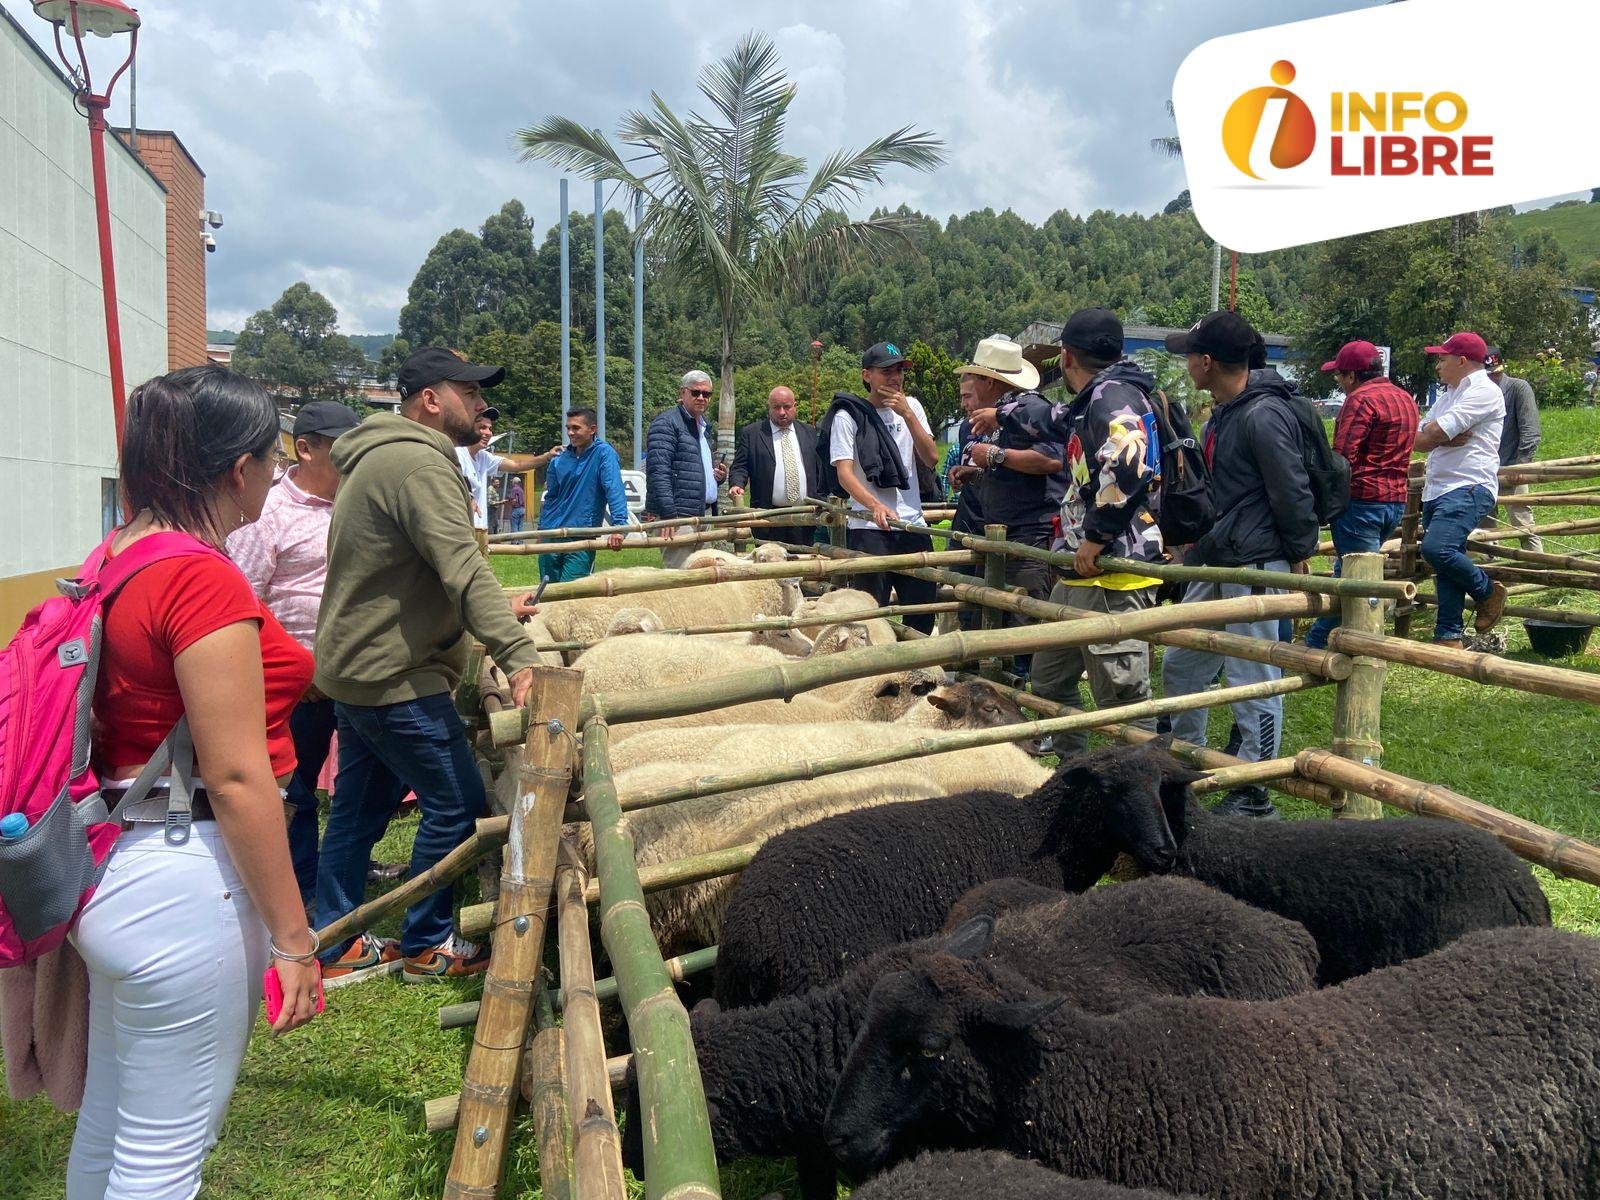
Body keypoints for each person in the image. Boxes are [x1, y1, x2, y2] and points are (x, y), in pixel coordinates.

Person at [70, 365, 320, 1199]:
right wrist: (294, 938)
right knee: (163, 1160)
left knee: (113, 1126)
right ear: (235, 469)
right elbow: (239, 773)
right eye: (270, 459)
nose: (276, 476)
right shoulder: (199, 576)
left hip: (108, 867)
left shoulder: (111, 557)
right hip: (185, 882)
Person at [312, 347, 543, 981]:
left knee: (359, 809)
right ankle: (426, 942)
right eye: (468, 392)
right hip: (395, 675)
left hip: (358, 667)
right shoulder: (419, 465)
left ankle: (331, 941)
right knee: (459, 804)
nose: (481, 404)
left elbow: (415, 570)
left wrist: (496, 605)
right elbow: (461, 569)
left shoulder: (381, 457)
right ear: (430, 400)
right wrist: (519, 658)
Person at [972, 311, 1164, 756]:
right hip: (1084, 569)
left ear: (1067, 355)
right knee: (1050, 677)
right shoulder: (1094, 399)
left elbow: (1132, 464)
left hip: (1113, 569)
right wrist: (1002, 410)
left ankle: (1143, 783)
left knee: (1124, 697)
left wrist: (1097, 535)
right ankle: (1074, 764)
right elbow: (1050, 415)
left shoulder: (1113, 397)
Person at [1160, 312, 1320, 819]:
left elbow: (1291, 489)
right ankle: (1186, 762)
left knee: (1253, 679)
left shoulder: (1260, 415)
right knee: (1182, 664)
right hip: (1220, 554)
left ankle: (1255, 788)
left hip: (1256, 562)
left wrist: (1298, 555)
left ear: (1207, 362)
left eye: (1189, 355)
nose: (1186, 364)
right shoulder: (1229, 411)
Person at [227, 399, 361, 909]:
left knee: (357, 784)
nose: (352, 457)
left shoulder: (355, 504)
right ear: (305, 449)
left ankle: (336, 871)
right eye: (340, 447)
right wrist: (291, 673)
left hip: (352, 675)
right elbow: (243, 602)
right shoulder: (269, 516)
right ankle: (302, 894)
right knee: (296, 791)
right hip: (297, 687)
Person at [817, 342, 941, 633]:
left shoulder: (913, 408)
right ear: (867, 375)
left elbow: (931, 457)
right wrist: (873, 505)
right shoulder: (848, 415)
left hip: (913, 525)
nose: (895, 377)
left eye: (899, 370)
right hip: (870, 530)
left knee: (923, 610)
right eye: (886, 371)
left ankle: (917, 674)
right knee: (870, 615)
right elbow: (845, 474)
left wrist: (908, 414)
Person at [1304, 341, 1419, 649]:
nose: (1340, 383)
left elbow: (1342, 459)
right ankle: (1329, 641)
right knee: (1353, 570)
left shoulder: (1360, 400)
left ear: (1352, 376)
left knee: (1358, 582)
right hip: (1394, 501)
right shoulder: (1405, 398)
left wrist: (1323, 498)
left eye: (1340, 376)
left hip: (1361, 501)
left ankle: (1343, 644)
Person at [953, 333, 1061, 611]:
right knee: (993, 616)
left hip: (1030, 537)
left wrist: (994, 455)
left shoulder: (1031, 411)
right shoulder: (999, 413)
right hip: (1001, 534)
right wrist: (975, 473)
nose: (972, 386)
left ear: (988, 381)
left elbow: (1051, 460)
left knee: (1025, 621)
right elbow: (1012, 473)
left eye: (976, 378)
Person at [1415, 332, 1509, 648]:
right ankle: (1448, 636)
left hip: (1467, 485)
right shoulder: (1448, 395)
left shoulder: (1483, 392)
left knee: (1436, 550)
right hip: (1440, 487)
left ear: (1462, 360)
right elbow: (1415, 439)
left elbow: (1435, 431)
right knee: (1445, 561)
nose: (1438, 365)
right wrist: (1436, 435)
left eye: (1442, 358)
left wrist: (1436, 435)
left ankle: (1486, 591)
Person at [535, 407, 629, 583]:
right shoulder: (559, 458)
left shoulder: (604, 454)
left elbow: (613, 489)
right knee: (547, 592)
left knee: (573, 594)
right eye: (568, 428)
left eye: (576, 428)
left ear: (592, 429)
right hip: (552, 533)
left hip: (581, 535)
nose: (570, 432)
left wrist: (619, 527)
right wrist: (542, 528)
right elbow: (551, 497)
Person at [645, 370, 727, 568]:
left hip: (703, 515)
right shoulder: (666, 423)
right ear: (682, 393)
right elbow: (658, 472)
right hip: (678, 517)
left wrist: (716, 478)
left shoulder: (704, 427)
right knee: (679, 578)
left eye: (706, 394)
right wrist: (668, 516)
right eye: (695, 392)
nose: (701, 398)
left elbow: (689, 469)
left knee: (704, 579)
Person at [727, 386, 821, 548]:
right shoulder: (753, 434)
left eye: (787, 407)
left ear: (795, 406)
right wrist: (737, 484)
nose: (782, 412)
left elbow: (820, 470)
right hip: (767, 518)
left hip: (805, 517)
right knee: (771, 568)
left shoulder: (809, 432)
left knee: (804, 567)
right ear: (769, 408)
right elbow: (740, 466)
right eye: (776, 407)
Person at [457, 410, 552, 554]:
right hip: (463, 529)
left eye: (490, 428)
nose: (488, 432)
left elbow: (517, 465)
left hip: (481, 529)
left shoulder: (484, 457)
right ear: (468, 427)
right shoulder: (456, 454)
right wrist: (467, 498)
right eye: (482, 427)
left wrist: (546, 456)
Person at [1487, 347, 1543, 551]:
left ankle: (1538, 566)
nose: (1494, 376)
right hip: (1483, 469)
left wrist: (1521, 465)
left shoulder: (1518, 388)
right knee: (1484, 524)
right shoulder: (1476, 393)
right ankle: (1489, 572)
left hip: (1512, 467)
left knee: (1522, 520)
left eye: (1496, 372)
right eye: (1490, 374)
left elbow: (1531, 430)